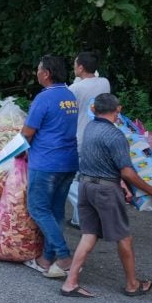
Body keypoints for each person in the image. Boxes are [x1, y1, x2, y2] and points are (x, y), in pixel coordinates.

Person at [60, 93, 152, 298]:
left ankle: (70, 283)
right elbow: (127, 172)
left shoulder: (90, 127)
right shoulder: (115, 135)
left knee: (89, 234)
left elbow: (103, 161)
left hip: (86, 186)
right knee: (124, 237)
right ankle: (132, 284)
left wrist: (121, 183)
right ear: (118, 110)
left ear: (94, 110)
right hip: (105, 191)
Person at [21, 55, 79, 279]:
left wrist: (15, 148)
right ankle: (46, 259)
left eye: (38, 69)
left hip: (46, 162)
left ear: (46, 74)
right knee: (55, 211)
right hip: (68, 161)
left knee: (38, 208)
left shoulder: (44, 98)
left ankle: (63, 257)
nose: (36, 73)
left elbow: (28, 131)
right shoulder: (70, 96)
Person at [67, 51, 112, 226]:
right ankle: (79, 219)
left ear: (80, 68)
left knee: (68, 180)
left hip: (80, 139)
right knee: (86, 179)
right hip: (99, 137)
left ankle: (88, 214)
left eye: (75, 65)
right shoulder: (104, 83)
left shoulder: (75, 89)